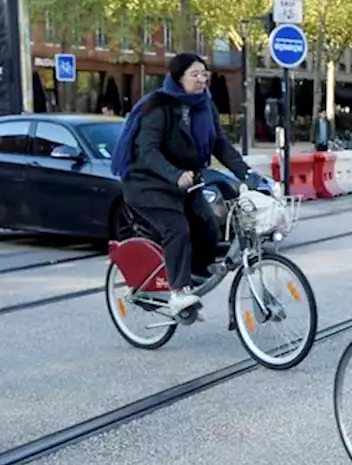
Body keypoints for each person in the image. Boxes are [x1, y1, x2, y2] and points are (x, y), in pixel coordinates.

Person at [112, 53, 264, 315]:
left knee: (207, 226)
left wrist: (247, 174)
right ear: (178, 78)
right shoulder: (157, 107)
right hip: (148, 183)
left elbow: (220, 145)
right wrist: (174, 174)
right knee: (177, 229)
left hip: (186, 183)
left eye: (204, 74)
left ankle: (195, 276)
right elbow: (147, 151)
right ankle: (178, 291)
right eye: (195, 74)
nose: (202, 79)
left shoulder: (205, 105)